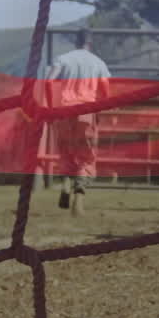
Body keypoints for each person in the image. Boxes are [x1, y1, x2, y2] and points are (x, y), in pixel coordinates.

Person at [45, 28, 111, 216]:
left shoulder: (63, 59)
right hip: (86, 112)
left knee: (66, 151)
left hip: (65, 110)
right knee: (86, 156)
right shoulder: (99, 63)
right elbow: (105, 89)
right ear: (91, 43)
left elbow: (49, 82)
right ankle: (78, 201)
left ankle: (66, 184)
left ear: (76, 42)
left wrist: (51, 107)